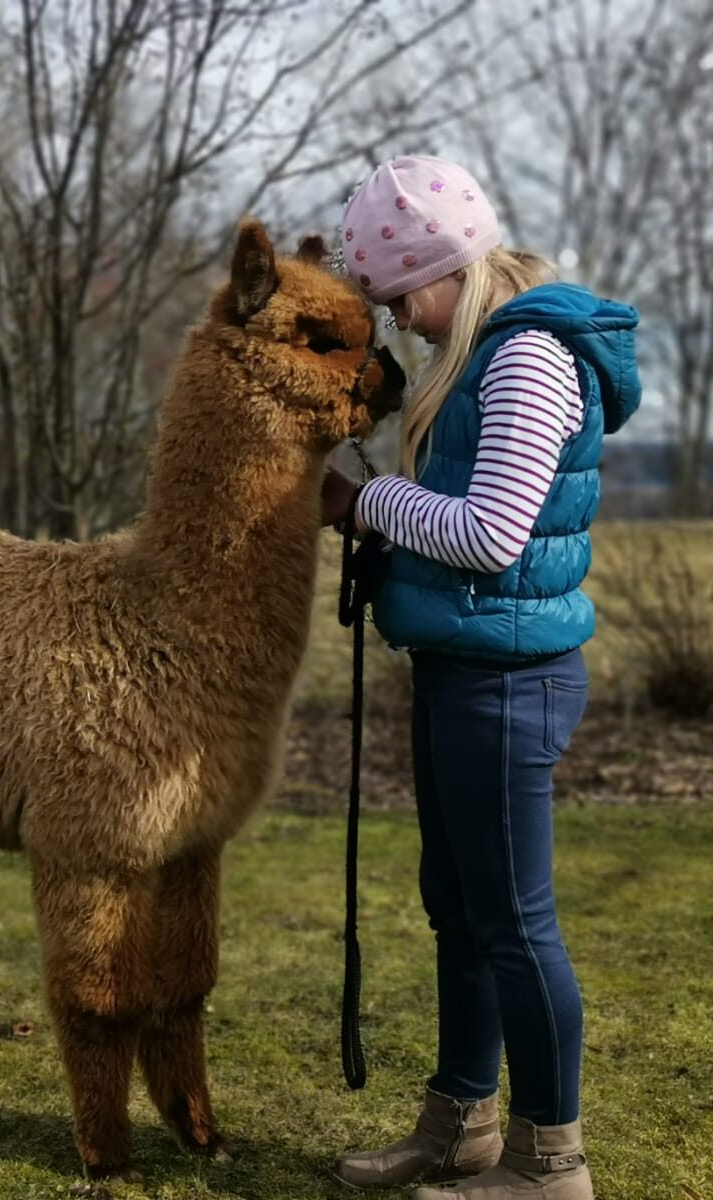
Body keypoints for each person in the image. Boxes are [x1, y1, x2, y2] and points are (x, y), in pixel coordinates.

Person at [320, 155, 640, 1200]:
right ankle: (461, 1124)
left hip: (509, 683)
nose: (401, 324)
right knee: (460, 908)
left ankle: (552, 1166)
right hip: (467, 668)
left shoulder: (530, 359)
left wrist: (363, 505)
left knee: (515, 924)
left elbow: (492, 535)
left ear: (444, 266)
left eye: (398, 297)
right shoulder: (482, 357)